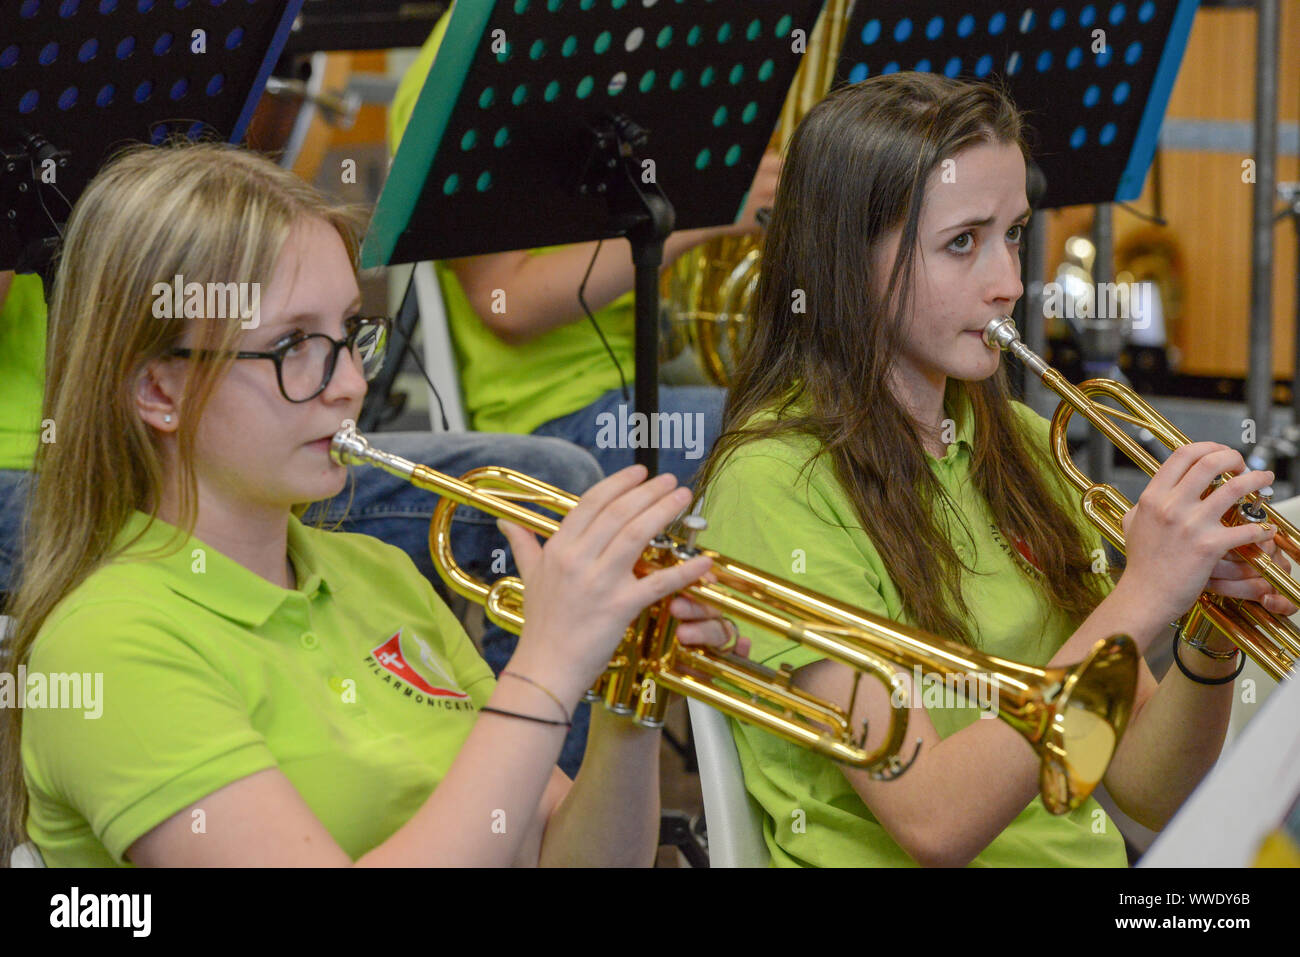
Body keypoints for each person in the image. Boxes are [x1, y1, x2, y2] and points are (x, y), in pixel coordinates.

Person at [0, 142, 747, 867]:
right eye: (293, 343)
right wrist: (545, 669)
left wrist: (629, 697)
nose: (351, 383)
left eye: (349, 332)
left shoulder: (379, 574)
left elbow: (572, 859)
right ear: (157, 389)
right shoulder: (110, 645)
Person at [691, 72, 1294, 868]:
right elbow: (934, 819)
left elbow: (1149, 791)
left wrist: (1208, 629)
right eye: (962, 242)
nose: (1010, 282)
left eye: (1012, 233)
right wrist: (1143, 595)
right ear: (846, 260)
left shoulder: (1017, 440)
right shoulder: (773, 484)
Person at [387, 3, 781, 484]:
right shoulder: (466, 58)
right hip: (559, 419)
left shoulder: (621, 30)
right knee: (784, 433)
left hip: (655, 378)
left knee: (837, 405)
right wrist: (705, 214)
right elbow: (509, 303)